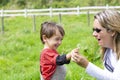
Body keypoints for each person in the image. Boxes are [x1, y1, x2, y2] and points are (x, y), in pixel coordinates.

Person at [72, 9, 120, 80]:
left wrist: (87, 65)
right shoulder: (108, 51)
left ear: (112, 31)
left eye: (98, 30)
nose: (94, 34)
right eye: (93, 30)